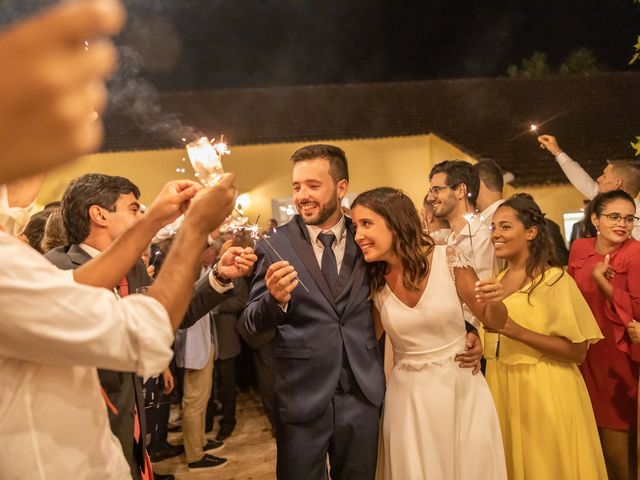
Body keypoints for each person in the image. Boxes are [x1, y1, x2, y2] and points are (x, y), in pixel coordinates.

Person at [244, 145, 482, 479]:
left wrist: (467, 331)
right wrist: (274, 300)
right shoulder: (273, 245)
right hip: (301, 397)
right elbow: (251, 323)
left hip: (362, 394)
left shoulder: (368, 236)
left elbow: (418, 287)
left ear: (341, 188)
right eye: (296, 187)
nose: (302, 196)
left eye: (313, 185)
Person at [351, 187, 508, 479]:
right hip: (407, 400)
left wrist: (492, 303)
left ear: (395, 224)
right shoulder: (374, 281)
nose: (358, 235)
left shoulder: (447, 259)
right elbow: (365, 342)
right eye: (355, 226)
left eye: (366, 224)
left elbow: (495, 321)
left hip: (459, 389)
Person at [485, 193, 606, 479]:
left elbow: (577, 352)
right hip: (502, 385)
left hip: (546, 389)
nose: (496, 235)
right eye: (493, 228)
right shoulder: (497, 282)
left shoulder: (555, 281)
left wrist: (517, 331)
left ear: (531, 232)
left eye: (505, 227)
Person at [568, 190, 640, 479]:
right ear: (595, 219)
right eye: (614, 217)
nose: (622, 224)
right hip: (586, 351)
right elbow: (569, 295)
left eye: (628, 218)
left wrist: (602, 281)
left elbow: (636, 309)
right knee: (589, 438)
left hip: (619, 354)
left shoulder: (635, 253)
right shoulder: (579, 247)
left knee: (618, 444)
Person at [538, 134, 640, 239]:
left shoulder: (637, 219)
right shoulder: (605, 203)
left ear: (617, 183)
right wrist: (556, 151)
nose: (599, 179)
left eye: (604, 176)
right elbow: (581, 179)